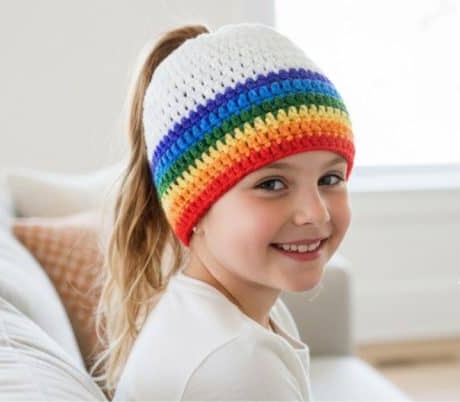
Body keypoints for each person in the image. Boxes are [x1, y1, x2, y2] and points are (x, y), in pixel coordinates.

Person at [89, 22, 356, 401]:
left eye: (330, 178)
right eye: (272, 184)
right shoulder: (236, 364)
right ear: (193, 206)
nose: (315, 213)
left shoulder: (248, 314)